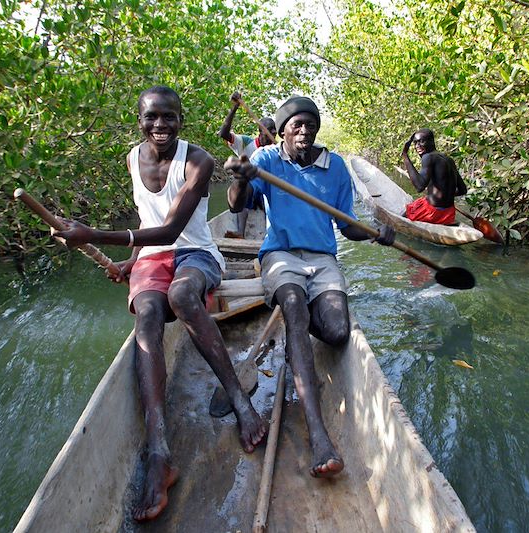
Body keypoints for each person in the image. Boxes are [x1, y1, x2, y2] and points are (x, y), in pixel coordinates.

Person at [53, 85, 268, 522]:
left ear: (181, 120)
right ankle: (158, 450)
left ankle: (240, 401)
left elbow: (171, 231)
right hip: (151, 255)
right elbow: (145, 222)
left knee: (183, 294)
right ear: (139, 122)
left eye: (169, 117)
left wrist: (91, 234)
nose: (160, 125)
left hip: (196, 254)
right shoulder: (133, 159)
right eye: (151, 117)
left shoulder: (199, 161)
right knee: (147, 315)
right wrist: (129, 261)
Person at [225, 95, 395, 478]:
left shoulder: (334, 166)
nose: (304, 131)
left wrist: (376, 234)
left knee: (336, 332)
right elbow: (236, 206)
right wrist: (239, 176)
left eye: (310, 125)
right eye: (296, 125)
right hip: (281, 254)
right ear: (283, 130)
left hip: (321, 260)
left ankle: (296, 333)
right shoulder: (267, 159)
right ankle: (318, 433)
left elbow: (348, 225)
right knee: (294, 303)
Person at [218, 91, 276, 238]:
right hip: (248, 188)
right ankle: (241, 233)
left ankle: (273, 234)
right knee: (242, 193)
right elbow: (224, 133)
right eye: (269, 132)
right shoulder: (246, 142)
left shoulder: (276, 150)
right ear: (260, 132)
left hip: (266, 189)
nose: (272, 136)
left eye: (274, 133)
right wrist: (235, 108)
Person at [401, 128, 467, 225]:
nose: (417, 146)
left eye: (421, 141)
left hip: (432, 213)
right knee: (421, 201)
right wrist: (444, 195)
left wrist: (405, 156)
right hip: (449, 213)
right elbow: (463, 190)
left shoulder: (428, 157)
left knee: (403, 216)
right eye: (415, 143)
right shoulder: (449, 159)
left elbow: (419, 187)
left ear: (431, 141)